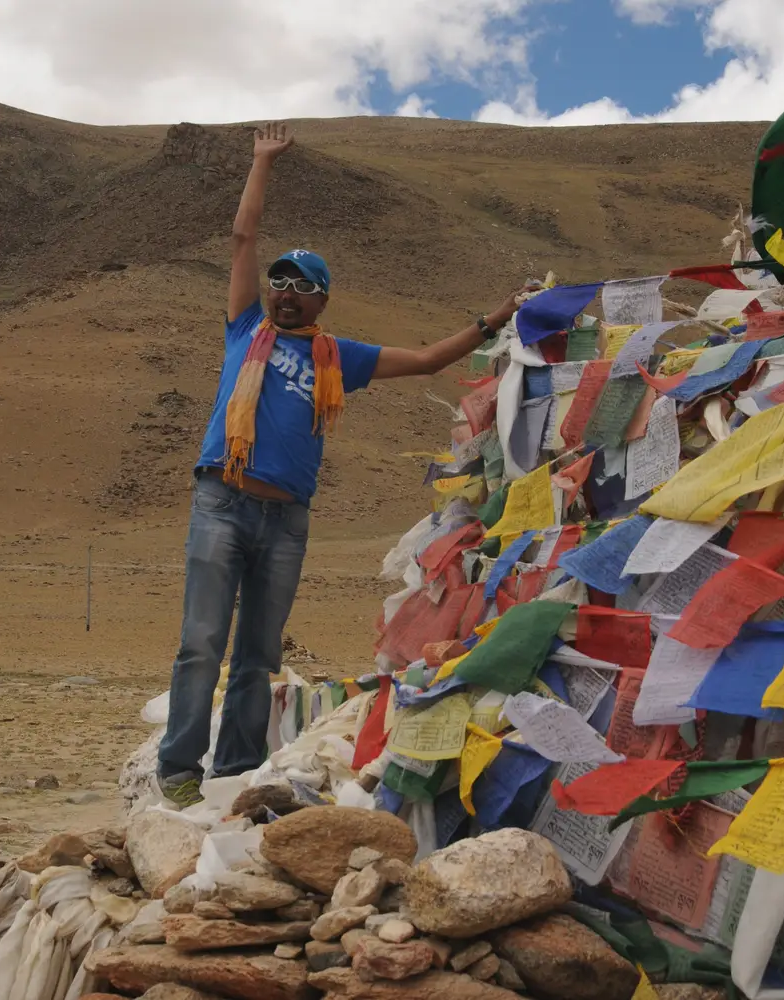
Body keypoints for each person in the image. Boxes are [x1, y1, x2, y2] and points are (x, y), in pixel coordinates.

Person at [158, 121, 521, 806]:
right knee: (201, 642)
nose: (284, 289)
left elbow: (427, 361)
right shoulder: (246, 328)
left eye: (300, 284)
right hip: (223, 503)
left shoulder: (339, 358)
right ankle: (177, 771)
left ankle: (233, 773)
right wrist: (262, 162)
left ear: (321, 299)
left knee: (259, 655)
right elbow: (242, 238)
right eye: (278, 280)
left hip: (286, 520)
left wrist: (495, 318)